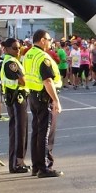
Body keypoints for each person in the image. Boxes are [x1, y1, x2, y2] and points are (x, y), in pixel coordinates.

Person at [23, 30, 63, 178]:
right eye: (49, 39)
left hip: (33, 95)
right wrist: (56, 100)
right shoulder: (43, 57)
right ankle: (44, 167)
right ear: (42, 40)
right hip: (43, 97)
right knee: (45, 132)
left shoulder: (28, 54)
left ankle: (36, 165)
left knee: (37, 131)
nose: (51, 42)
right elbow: (48, 81)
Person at [0, 38, 30, 173]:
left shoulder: (12, 60)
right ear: (6, 49)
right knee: (19, 131)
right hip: (16, 98)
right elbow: (22, 81)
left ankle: (18, 162)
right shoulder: (11, 62)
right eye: (14, 48)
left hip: (16, 97)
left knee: (19, 130)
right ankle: (17, 163)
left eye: (19, 47)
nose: (18, 50)